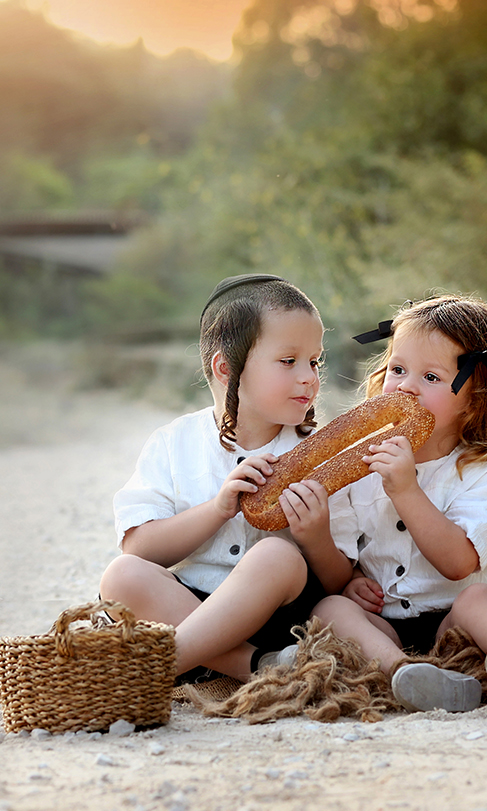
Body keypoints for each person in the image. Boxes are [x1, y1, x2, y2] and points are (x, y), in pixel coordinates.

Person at [98, 274, 357, 682]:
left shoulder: (320, 453)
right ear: (226, 368)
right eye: (288, 361)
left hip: (280, 618)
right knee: (121, 574)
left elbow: (342, 579)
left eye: (315, 361)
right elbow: (140, 547)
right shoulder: (173, 443)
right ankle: (251, 666)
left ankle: (153, 671)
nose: (308, 376)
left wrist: (316, 534)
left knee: (277, 554)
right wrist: (217, 510)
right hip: (185, 611)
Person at [313, 294, 487, 711]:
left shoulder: (482, 469)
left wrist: (407, 490)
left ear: (475, 396)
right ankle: (403, 673)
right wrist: (349, 577)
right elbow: (341, 559)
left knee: (480, 600)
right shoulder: (362, 461)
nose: (406, 385)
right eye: (398, 369)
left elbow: (459, 562)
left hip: (455, 626)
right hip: (385, 626)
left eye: (430, 377)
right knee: (331, 606)